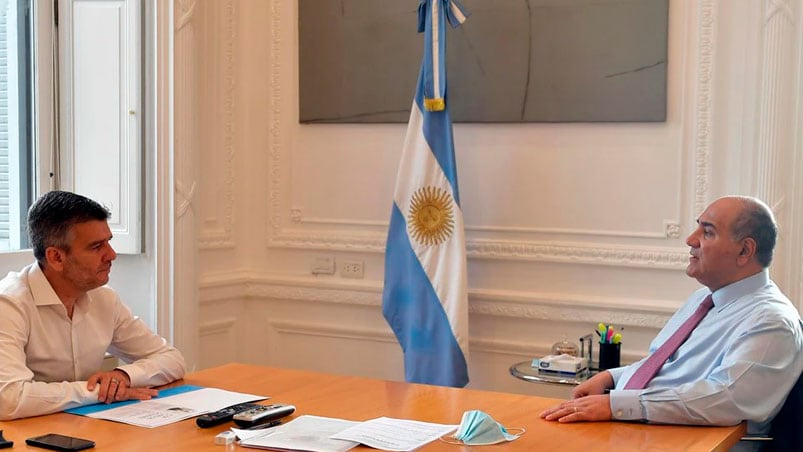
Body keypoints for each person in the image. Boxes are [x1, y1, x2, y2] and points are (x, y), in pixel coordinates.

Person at [540, 196, 803, 447]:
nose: (690, 239)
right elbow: (670, 367)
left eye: (707, 232)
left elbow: (725, 398)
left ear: (745, 250)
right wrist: (612, 377)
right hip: (646, 431)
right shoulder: (703, 298)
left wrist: (617, 405)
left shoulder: (771, 321)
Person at [0, 191, 186, 420]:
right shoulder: (8, 304)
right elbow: (7, 399)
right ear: (56, 257)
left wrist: (123, 377)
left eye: (109, 242)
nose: (112, 255)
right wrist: (99, 392)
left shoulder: (104, 299)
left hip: (86, 429)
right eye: (97, 246)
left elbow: (172, 359)